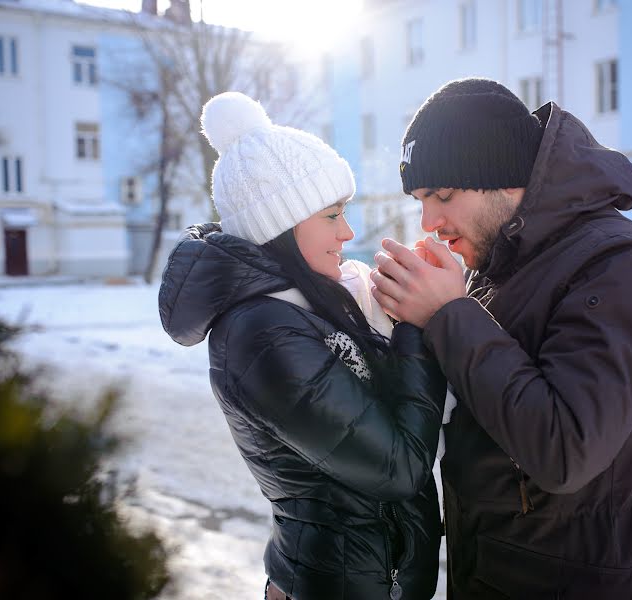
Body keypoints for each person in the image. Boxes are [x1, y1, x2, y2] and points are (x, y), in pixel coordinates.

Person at [370, 78, 632, 600]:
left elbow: (565, 450)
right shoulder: (499, 264)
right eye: (420, 200)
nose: (429, 222)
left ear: (504, 178)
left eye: (443, 195)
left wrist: (449, 315)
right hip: (487, 571)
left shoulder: (619, 263)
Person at [158, 92, 446, 600]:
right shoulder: (264, 336)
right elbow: (400, 468)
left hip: (366, 577)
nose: (349, 232)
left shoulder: (316, 306)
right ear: (281, 227)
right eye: (331, 216)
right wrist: (413, 327)